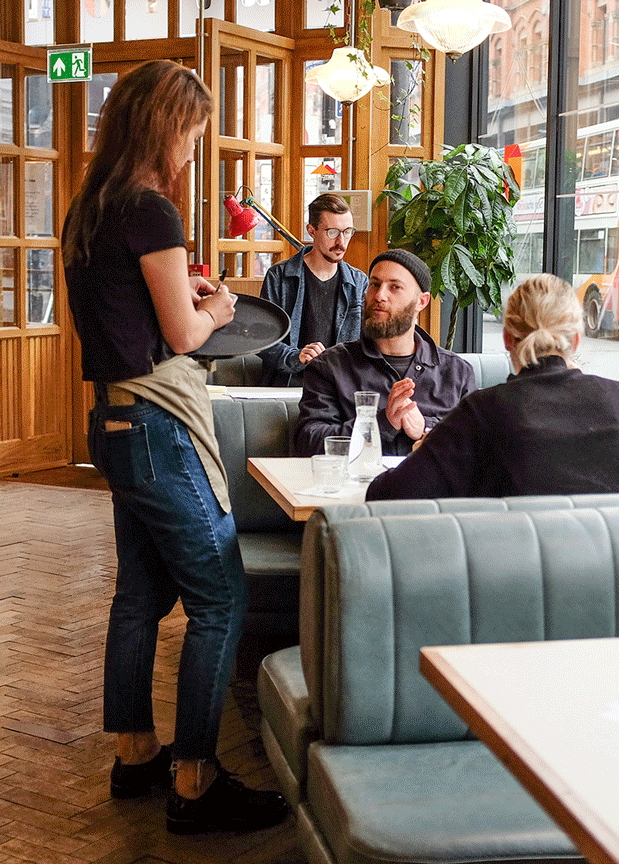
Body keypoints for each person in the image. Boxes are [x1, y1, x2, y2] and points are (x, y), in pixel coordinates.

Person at [61, 60, 288, 836]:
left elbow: (129, 317)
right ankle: (195, 780)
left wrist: (177, 299)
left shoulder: (89, 207)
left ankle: (135, 753)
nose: (194, 150)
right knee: (220, 598)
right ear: (166, 127)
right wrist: (217, 301)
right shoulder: (152, 209)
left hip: (114, 425)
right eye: (192, 133)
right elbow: (188, 337)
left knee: (139, 598)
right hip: (160, 426)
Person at [365, 273, 619, 500]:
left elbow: (388, 494)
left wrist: (429, 452)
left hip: (512, 580)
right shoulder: (617, 398)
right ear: (575, 341)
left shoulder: (484, 411)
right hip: (614, 581)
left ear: (508, 338)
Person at [294, 248, 476, 456]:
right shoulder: (330, 367)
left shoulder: (456, 373)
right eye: (375, 284)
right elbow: (308, 442)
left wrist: (427, 428)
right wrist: (381, 423)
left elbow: (479, 446)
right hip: (356, 487)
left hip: (432, 488)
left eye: (395, 287)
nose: (380, 295)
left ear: (422, 302)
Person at [258, 193, 368, 386]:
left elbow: (368, 345)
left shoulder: (359, 282)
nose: (341, 242)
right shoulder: (279, 277)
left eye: (347, 231)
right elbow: (263, 341)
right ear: (312, 230)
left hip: (339, 390)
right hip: (289, 386)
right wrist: (296, 357)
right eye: (332, 232)